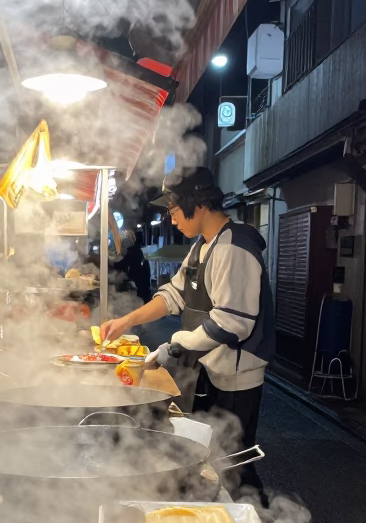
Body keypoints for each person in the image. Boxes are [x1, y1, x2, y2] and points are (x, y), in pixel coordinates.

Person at [100, 167, 274, 493]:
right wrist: (126, 321)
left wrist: (175, 346)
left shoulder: (234, 247)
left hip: (236, 376)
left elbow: (233, 321)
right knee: (211, 456)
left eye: (174, 209)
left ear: (199, 203)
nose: (172, 219)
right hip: (210, 370)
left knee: (234, 465)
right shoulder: (202, 247)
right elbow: (173, 296)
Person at [113, 230, 152, 303]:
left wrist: (109, 263)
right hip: (144, 287)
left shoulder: (133, 252)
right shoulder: (137, 251)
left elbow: (122, 264)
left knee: (141, 304)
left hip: (140, 288)